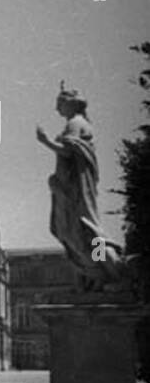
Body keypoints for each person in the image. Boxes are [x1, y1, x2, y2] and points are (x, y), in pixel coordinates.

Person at [35, 82, 123, 288]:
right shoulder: (76, 122)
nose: (57, 109)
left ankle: (115, 271)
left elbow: (69, 151)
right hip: (73, 186)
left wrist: (45, 140)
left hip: (75, 189)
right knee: (77, 233)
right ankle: (100, 273)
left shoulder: (75, 122)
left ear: (70, 104)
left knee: (86, 232)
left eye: (60, 104)